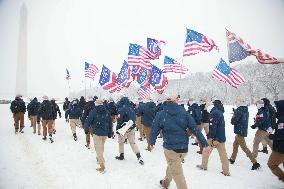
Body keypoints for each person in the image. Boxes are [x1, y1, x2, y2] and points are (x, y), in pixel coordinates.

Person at [150, 95, 209, 189]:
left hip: (170, 148)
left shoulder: (161, 114)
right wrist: (204, 143)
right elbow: (195, 128)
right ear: (176, 101)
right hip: (183, 149)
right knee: (173, 164)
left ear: (167, 102)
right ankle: (166, 182)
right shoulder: (184, 113)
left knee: (177, 173)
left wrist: (151, 142)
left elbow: (154, 129)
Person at [197, 102, 230, 176]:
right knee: (223, 155)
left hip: (214, 138)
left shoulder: (213, 114)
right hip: (221, 137)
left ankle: (203, 166)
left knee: (206, 151)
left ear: (209, 107)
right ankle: (226, 171)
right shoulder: (219, 112)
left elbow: (213, 127)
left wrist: (211, 138)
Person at [228, 98, 260, 170]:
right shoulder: (245, 110)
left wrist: (234, 116)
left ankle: (255, 163)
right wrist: (236, 112)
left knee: (244, 147)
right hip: (242, 130)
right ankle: (232, 159)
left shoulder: (239, 111)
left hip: (239, 131)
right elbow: (241, 117)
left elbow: (233, 121)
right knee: (235, 145)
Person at [84, 99, 112, 173]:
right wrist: (110, 132)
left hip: (97, 133)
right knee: (101, 147)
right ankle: (99, 158)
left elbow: (88, 121)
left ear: (96, 104)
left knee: (98, 149)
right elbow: (110, 123)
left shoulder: (93, 112)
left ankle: (102, 166)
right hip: (105, 133)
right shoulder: (107, 112)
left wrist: (86, 129)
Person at [115, 97, 144, 165]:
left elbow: (119, 120)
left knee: (121, 142)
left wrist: (117, 129)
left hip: (123, 128)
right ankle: (139, 156)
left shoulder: (121, 109)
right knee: (132, 142)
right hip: (131, 127)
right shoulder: (132, 108)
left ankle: (121, 155)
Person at [267, 100, 284, 183]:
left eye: (277, 108)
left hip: (281, 148)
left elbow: (281, 135)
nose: (276, 109)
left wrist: (271, 136)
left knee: (271, 164)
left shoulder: (282, 120)